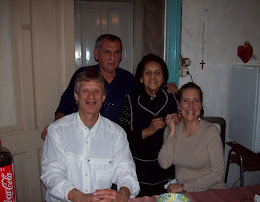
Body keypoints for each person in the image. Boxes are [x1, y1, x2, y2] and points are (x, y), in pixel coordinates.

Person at [41, 34, 178, 140]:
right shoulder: (83, 76)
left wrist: (167, 88)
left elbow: (147, 95)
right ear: (96, 54)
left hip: (118, 141)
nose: (112, 57)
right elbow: (65, 106)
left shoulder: (128, 79)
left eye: (117, 52)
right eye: (107, 52)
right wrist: (55, 127)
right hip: (85, 137)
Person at [40, 68, 140, 202]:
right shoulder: (57, 130)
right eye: (85, 91)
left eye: (96, 91)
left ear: (104, 96)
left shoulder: (117, 134)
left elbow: (125, 171)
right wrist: (82, 197)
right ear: (76, 95)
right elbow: (52, 174)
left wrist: (124, 193)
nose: (91, 96)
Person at [118, 54, 180, 197]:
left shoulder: (172, 97)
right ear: (141, 78)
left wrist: (180, 120)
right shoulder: (131, 100)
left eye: (157, 72)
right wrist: (147, 131)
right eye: (148, 72)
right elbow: (121, 137)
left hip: (168, 170)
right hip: (139, 171)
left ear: (164, 78)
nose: (153, 76)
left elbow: (194, 114)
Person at [158, 82, 226, 193]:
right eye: (186, 101)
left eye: (196, 101)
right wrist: (172, 132)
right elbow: (164, 164)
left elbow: (218, 174)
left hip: (211, 190)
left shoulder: (210, 131)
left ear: (201, 104)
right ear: (178, 104)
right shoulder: (171, 129)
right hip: (185, 192)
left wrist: (184, 187)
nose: (191, 106)